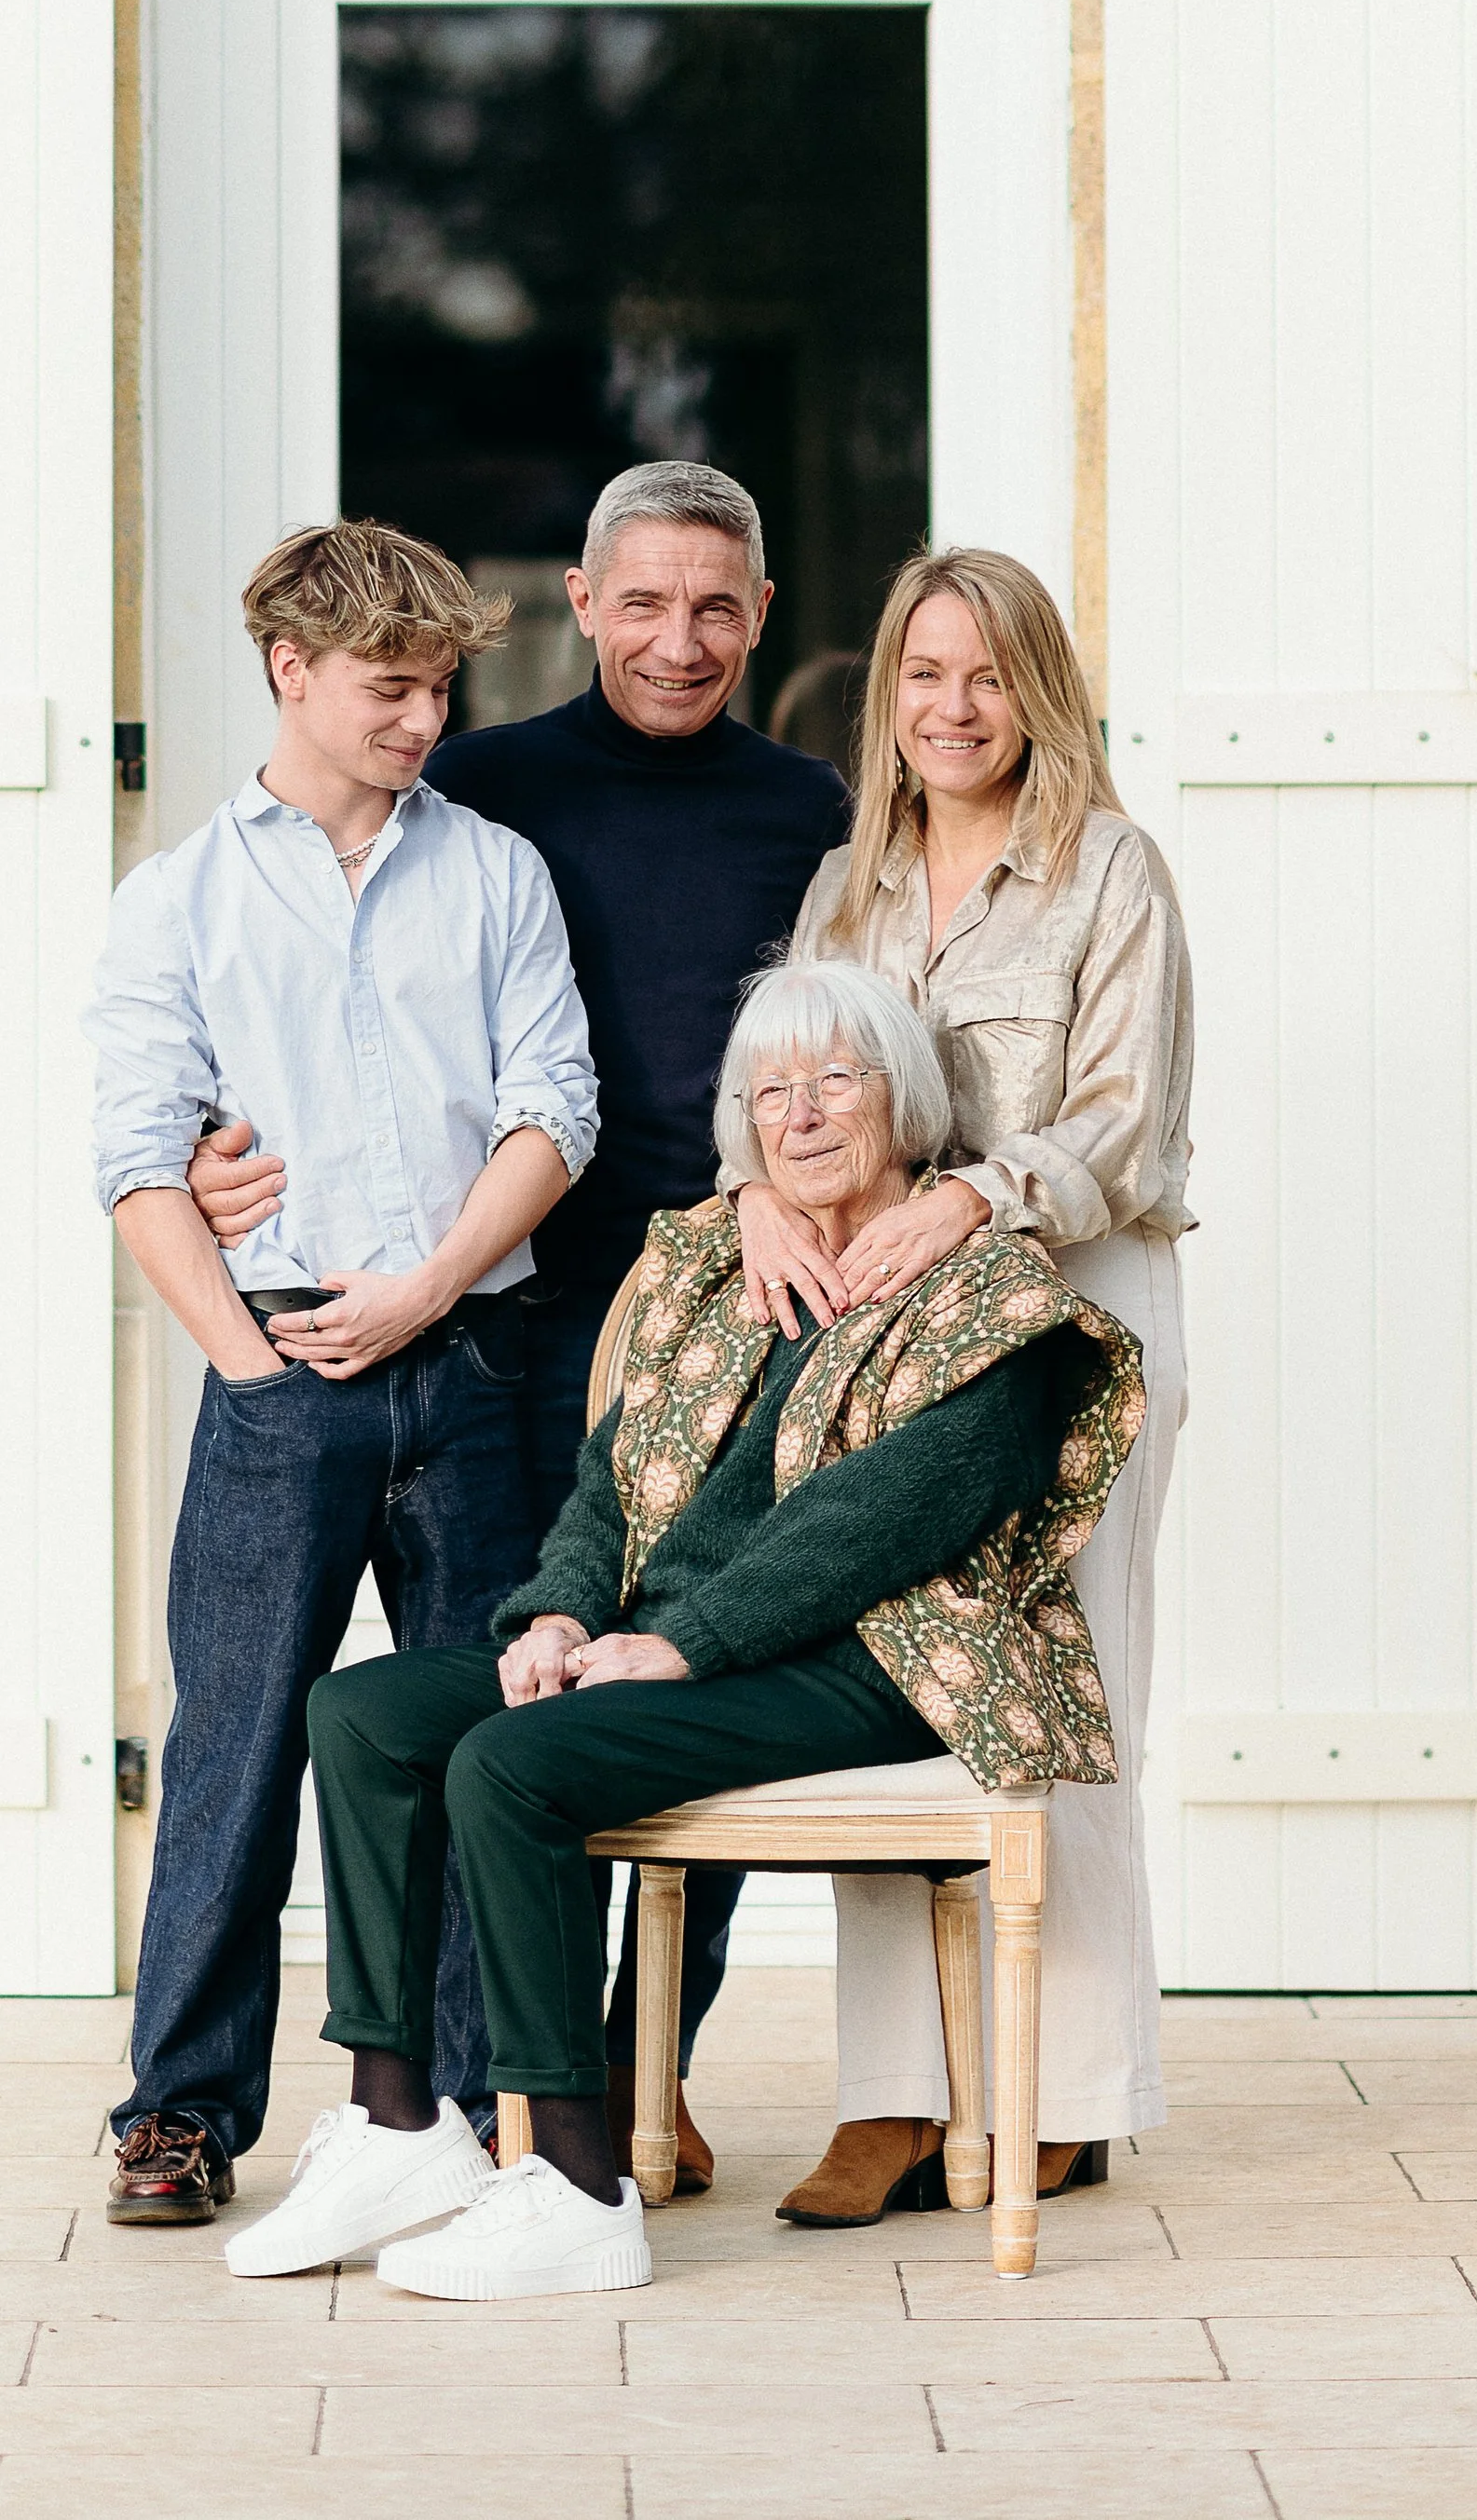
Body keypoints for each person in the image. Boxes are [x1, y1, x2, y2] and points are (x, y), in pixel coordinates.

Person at [219, 959, 1143, 2298]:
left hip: (881, 1658)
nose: (800, 1115)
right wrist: (557, 1612)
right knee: (364, 1713)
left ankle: (574, 2183)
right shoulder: (712, 1266)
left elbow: (879, 1524)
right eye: (771, 1091)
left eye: (836, 1080)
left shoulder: (994, 1294)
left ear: (906, 1099)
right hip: (677, 1642)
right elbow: (612, 1478)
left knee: (514, 1765)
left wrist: (682, 1642)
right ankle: (395, 2124)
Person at [189, 460, 847, 2184]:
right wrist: (206, 1145)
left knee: (689, 1688)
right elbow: (322, 998)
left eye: (717, 607)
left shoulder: (817, 811)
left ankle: (647, 2069)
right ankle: (491, 2087)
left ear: (763, 617)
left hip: (738, 1315)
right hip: (521, 1324)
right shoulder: (477, 789)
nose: (680, 639)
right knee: (512, 1697)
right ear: (581, 601)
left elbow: (849, 1045)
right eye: (644, 602)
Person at [88, 520, 598, 2227]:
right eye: (392, 685)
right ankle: (179, 2112)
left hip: (474, 1358)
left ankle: (465, 2104)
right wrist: (253, 1369)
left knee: (482, 1742)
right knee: (234, 1749)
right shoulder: (178, 899)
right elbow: (139, 1161)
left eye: (442, 686)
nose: (424, 718)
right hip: (282, 1368)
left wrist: (432, 1287)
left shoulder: (498, 873)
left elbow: (557, 1108)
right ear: (291, 669)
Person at [732, 546, 1193, 2230]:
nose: (955, 706)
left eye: (989, 674)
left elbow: (1126, 1120)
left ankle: (1063, 2094)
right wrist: (760, 1191)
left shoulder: (1110, 872)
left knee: (1065, 1690)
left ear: (1040, 692)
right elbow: (783, 1070)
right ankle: (896, 2099)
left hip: (1072, 1316)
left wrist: (973, 1196)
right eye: (925, 673)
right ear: (889, 695)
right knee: (885, 1685)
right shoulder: (847, 885)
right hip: (889, 1331)